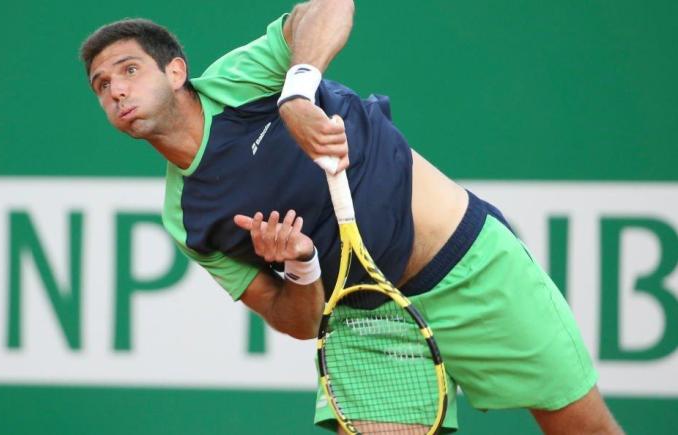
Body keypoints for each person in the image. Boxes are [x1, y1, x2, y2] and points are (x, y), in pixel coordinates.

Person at [80, 1, 622, 433]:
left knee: (584, 430)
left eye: (128, 70)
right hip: (366, 323)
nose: (117, 90)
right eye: (103, 86)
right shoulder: (186, 215)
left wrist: (295, 92)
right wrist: (299, 268)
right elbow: (292, 320)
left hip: (470, 267)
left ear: (176, 72)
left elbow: (330, 4)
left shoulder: (242, 80)